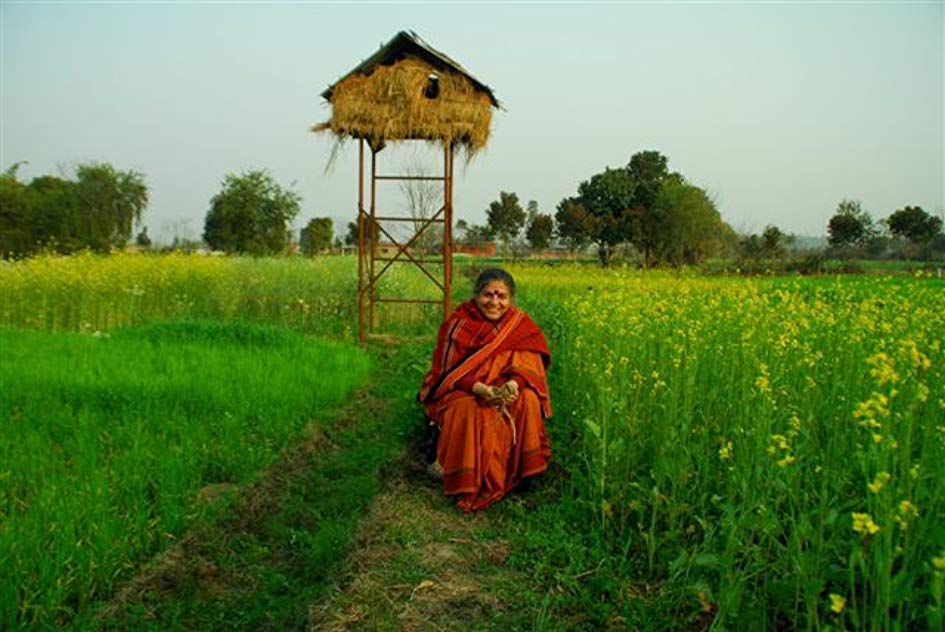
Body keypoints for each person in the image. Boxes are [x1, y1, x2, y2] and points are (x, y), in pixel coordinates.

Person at [418, 268, 553, 512]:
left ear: (510, 299)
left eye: (502, 296)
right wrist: (482, 390)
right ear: (476, 295)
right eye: (488, 295)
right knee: (470, 409)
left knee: (529, 399)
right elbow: (448, 373)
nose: (494, 302)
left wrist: (513, 385)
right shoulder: (457, 325)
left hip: (505, 386)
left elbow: (528, 364)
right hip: (465, 389)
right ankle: (464, 475)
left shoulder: (519, 325)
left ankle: (521, 473)